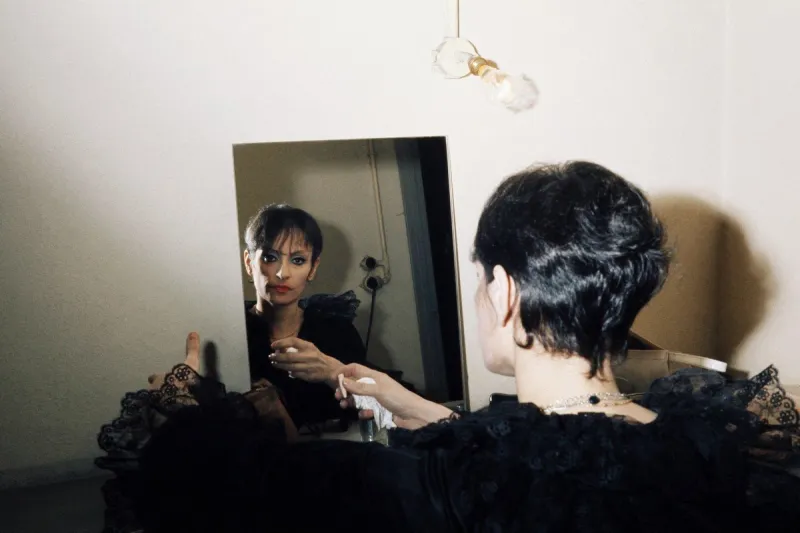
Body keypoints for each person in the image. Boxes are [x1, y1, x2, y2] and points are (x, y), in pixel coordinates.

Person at [99, 162, 800, 532]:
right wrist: (419, 405)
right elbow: (565, 450)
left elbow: (195, 483)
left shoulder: (431, 490)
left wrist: (179, 401)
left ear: (503, 293)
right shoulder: (716, 453)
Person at [242, 203, 366, 427]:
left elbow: (368, 409)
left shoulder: (337, 333)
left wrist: (333, 373)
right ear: (249, 262)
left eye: (298, 260)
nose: (283, 273)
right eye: (270, 258)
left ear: (313, 267)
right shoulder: (233, 333)